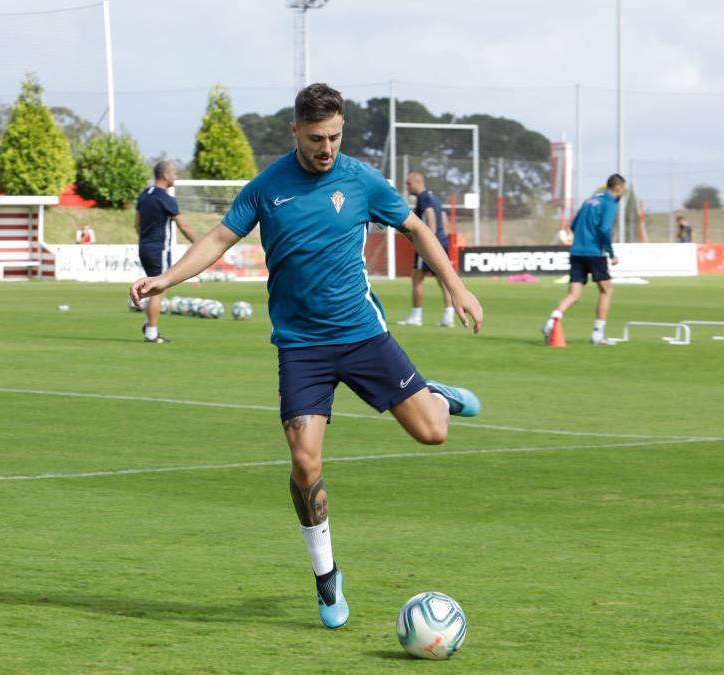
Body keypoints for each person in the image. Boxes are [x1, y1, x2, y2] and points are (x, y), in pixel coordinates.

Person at [131, 83, 484, 630]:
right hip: (301, 348)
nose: (327, 148)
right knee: (303, 461)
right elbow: (219, 239)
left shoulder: (362, 179)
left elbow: (415, 228)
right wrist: (165, 280)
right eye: (317, 138)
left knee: (434, 433)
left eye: (336, 137)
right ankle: (326, 576)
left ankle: (433, 394)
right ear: (294, 130)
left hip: (363, 335)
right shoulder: (267, 187)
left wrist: (455, 288)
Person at [543, 173, 627, 346]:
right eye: (623, 189)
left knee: (574, 294)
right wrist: (611, 252)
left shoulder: (590, 200)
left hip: (577, 252)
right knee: (606, 291)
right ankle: (598, 333)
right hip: (594, 253)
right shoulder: (610, 203)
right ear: (618, 188)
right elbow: (604, 228)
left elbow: (573, 226)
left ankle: (551, 322)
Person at [134, 160, 197, 344]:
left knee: (154, 285)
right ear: (166, 175)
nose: (176, 177)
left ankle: (149, 324)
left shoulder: (144, 195)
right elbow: (183, 226)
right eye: (174, 173)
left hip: (144, 247)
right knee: (159, 288)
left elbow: (136, 224)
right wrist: (199, 244)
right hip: (159, 249)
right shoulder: (166, 198)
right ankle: (151, 333)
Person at [395, 172, 455, 327]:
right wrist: (442, 238)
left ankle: (416, 316)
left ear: (417, 182)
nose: (407, 187)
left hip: (429, 243)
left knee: (417, 278)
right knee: (442, 279)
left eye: (409, 184)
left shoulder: (423, 198)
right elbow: (444, 218)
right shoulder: (434, 197)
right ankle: (448, 317)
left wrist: (429, 240)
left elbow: (431, 216)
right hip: (442, 241)